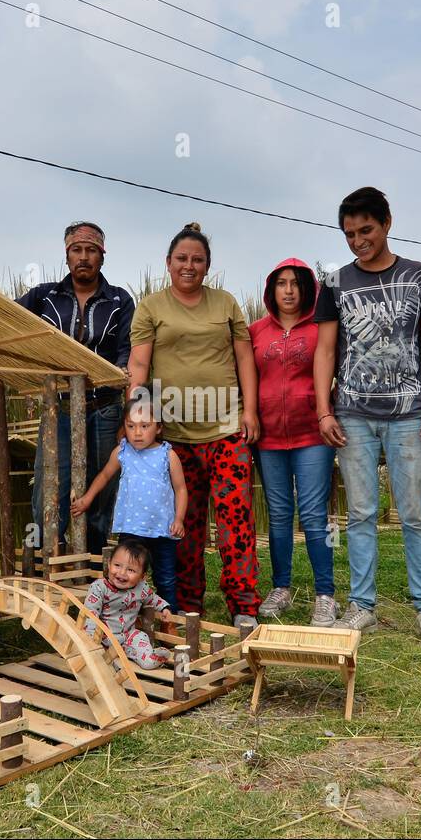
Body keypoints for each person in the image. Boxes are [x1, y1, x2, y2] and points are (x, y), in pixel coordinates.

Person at [313, 187, 421, 643]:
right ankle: (362, 605)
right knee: (361, 513)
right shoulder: (335, 283)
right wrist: (323, 409)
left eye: (366, 230)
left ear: (387, 223)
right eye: (350, 234)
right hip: (352, 413)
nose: (358, 241)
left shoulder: (418, 275)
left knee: (414, 513)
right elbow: (327, 348)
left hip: (411, 412)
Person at [127, 223, 262, 629]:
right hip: (174, 437)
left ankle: (243, 604)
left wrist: (250, 411)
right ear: (168, 263)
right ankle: (188, 604)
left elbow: (244, 360)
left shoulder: (226, 304)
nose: (189, 266)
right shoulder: (151, 307)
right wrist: (138, 412)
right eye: (182, 259)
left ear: (208, 266)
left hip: (225, 430)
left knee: (235, 519)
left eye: (197, 260)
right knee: (182, 524)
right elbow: (139, 364)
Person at [16, 221, 134, 556]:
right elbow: (11, 320)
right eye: (76, 250)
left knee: (101, 491)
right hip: (60, 410)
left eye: (91, 250)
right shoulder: (44, 296)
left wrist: (127, 409)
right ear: (66, 255)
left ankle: (95, 566)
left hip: (105, 408)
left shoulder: (119, 300)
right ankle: (45, 563)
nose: (84, 257)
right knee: (49, 488)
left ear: (102, 255)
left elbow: (127, 351)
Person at [250, 258, 339, 626]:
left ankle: (325, 594)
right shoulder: (256, 331)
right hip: (269, 438)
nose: (288, 290)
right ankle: (281, 587)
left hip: (312, 435)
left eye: (295, 283)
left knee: (316, 516)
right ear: (272, 289)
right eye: (281, 283)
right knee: (280, 514)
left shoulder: (321, 329)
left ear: (307, 289)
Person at [72, 401, 187, 610]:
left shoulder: (167, 455)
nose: (137, 433)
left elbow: (180, 489)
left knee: (166, 577)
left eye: (145, 426)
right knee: (127, 573)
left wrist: (179, 519)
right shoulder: (122, 452)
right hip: (131, 530)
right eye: (131, 425)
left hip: (162, 529)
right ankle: (126, 614)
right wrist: (87, 498)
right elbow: (105, 475)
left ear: (159, 427)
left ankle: (169, 618)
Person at [82, 540, 173, 669]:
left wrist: (164, 608)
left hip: (128, 635)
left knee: (141, 637)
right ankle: (106, 662)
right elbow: (90, 613)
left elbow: (152, 598)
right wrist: (91, 638)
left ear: (142, 576)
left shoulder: (141, 588)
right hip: (103, 637)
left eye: (131, 570)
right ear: (109, 564)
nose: (122, 573)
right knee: (98, 653)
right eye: (117, 565)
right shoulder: (99, 588)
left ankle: (149, 659)